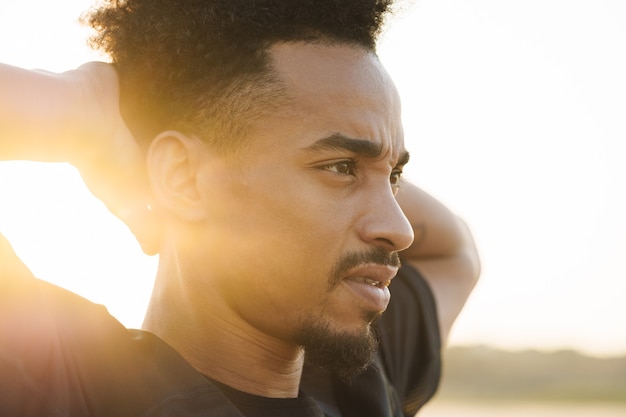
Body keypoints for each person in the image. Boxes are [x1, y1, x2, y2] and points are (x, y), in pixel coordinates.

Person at [0, 1, 480, 416]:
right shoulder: (59, 381)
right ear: (184, 178)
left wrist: (365, 156)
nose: (399, 229)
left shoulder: (358, 384)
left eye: (394, 177)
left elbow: (453, 250)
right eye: (339, 166)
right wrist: (88, 106)